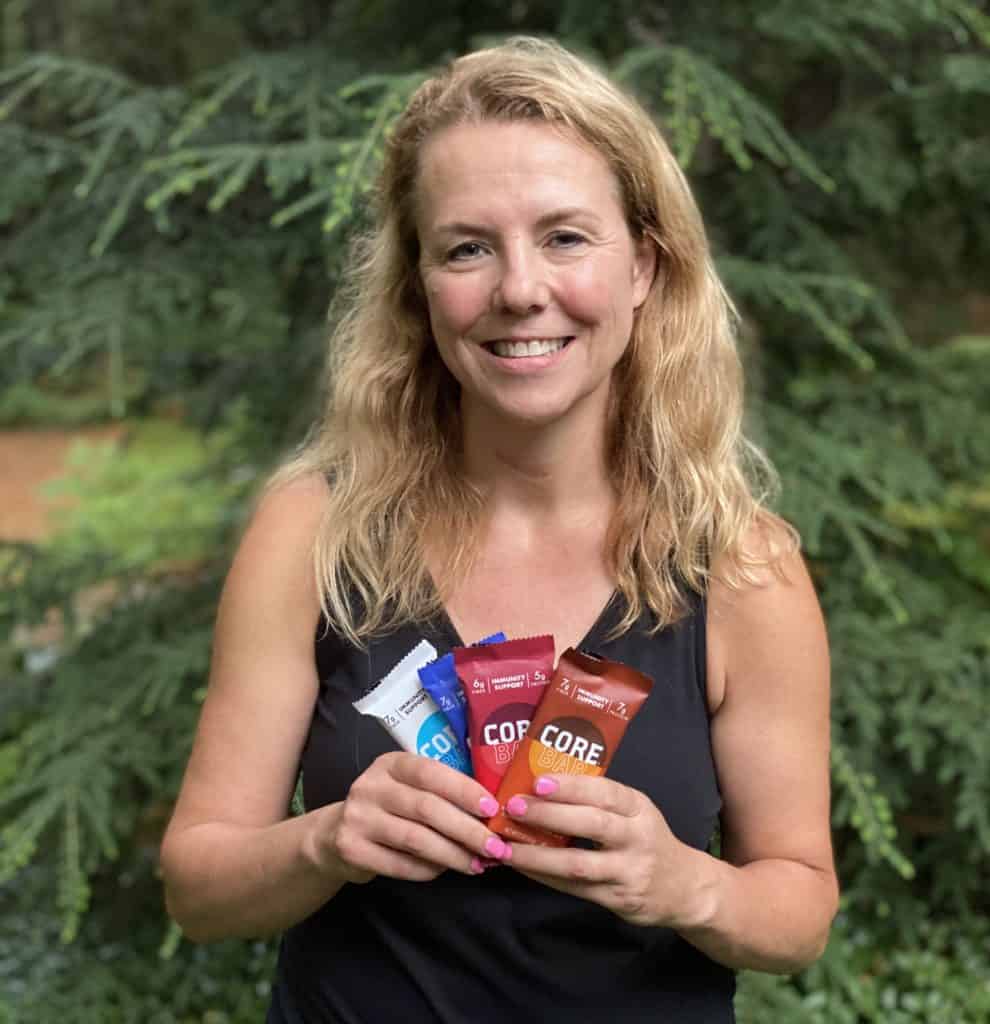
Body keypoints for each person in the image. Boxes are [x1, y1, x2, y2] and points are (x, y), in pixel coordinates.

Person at [160, 36, 838, 1023]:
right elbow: (198, 885)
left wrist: (688, 882)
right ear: (420, 286)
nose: (521, 289)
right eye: (468, 247)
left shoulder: (742, 566)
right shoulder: (316, 531)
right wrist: (327, 840)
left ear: (644, 266)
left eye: (566, 237)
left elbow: (800, 904)